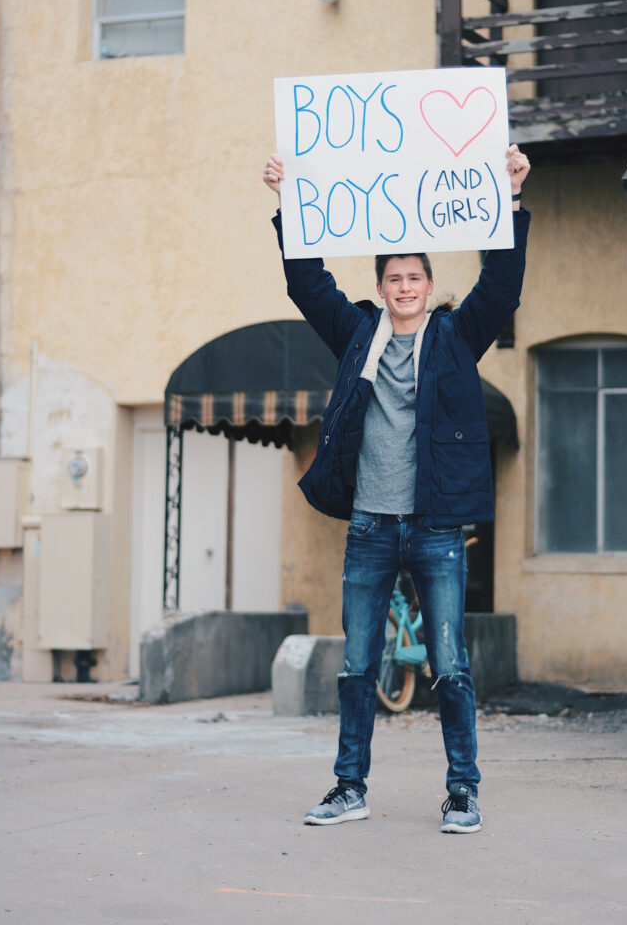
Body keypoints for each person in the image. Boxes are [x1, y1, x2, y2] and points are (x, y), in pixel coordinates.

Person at [263, 145, 530, 832]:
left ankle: (462, 793)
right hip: (370, 528)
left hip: (436, 528)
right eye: (393, 277)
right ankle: (348, 788)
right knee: (357, 663)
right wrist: (290, 202)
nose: (404, 285)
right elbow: (307, 283)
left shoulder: (452, 337)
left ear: (426, 283)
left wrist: (507, 198)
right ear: (380, 286)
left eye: (414, 276)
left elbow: (500, 287)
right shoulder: (358, 335)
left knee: (449, 666)